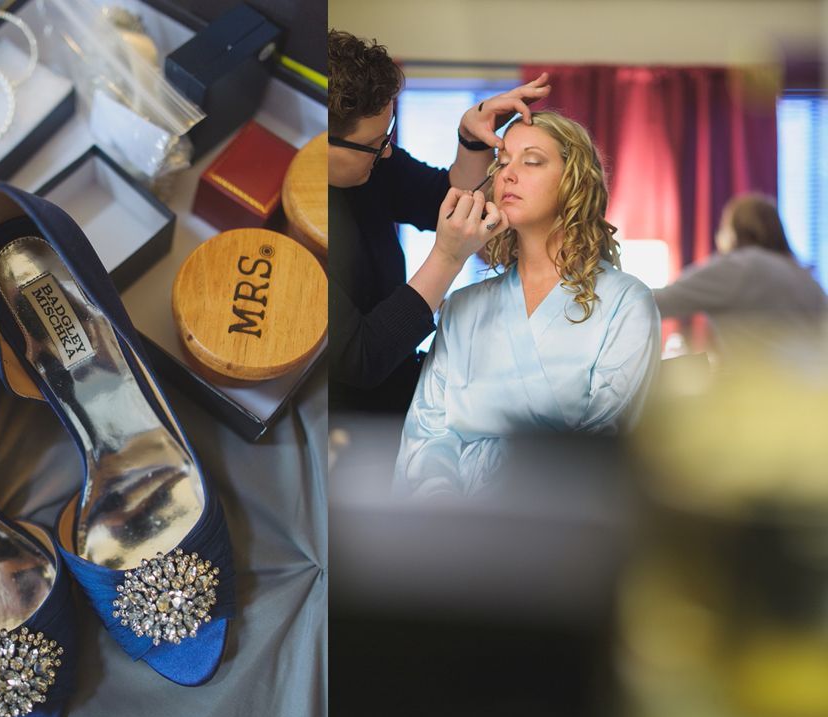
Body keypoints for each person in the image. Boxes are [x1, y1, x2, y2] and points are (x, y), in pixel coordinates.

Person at [394, 111, 661, 497]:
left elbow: (604, 441)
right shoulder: (462, 307)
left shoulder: (626, 303)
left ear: (574, 182)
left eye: (532, 161)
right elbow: (426, 435)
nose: (507, 175)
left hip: (560, 525)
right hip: (452, 529)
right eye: (501, 163)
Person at [328, 29, 550, 414]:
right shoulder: (303, 227)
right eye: (376, 144)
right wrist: (447, 258)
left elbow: (442, 199)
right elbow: (360, 358)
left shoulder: (371, 164)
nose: (387, 153)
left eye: (389, 135)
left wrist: (472, 138)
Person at [652, 193, 825, 353]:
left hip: (759, 382)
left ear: (734, 233)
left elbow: (658, 302)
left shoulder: (738, 268)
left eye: (723, 227)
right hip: (811, 383)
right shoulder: (805, 277)